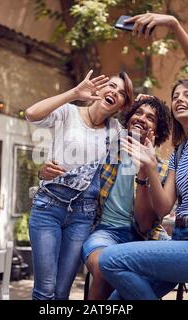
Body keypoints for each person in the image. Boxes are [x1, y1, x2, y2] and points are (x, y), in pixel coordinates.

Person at [98, 13, 188, 300]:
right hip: (183, 242)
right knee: (117, 300)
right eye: (176, 96)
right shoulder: (178, 153)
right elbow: (163, 209)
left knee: (110, 260)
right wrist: (149, 166)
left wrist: (174, 25)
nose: (179, 99)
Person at [40, 95, 172, 300]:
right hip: (105, 232)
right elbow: (71, 169)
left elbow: (145, 225)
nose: (142, 118)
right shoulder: (108, 149)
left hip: (143, 238)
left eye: (150, 117)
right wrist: (44, 172)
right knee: (104, 268)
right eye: (138, 113)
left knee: (175, 268)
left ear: (158, 129)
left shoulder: (161, 169)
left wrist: (145, 172)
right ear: (128, 119)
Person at [25, 70, 133, 300]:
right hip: (48, 208)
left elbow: (120, 168)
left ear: (121, 106)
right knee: (45, 291)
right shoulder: (68, 113)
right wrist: (74, 93)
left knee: (62, 292)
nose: (114, 92)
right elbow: (32, 113)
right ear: (99, 89)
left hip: (82, 216)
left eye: (122, 93)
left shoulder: (115, 132)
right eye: (111, 86)